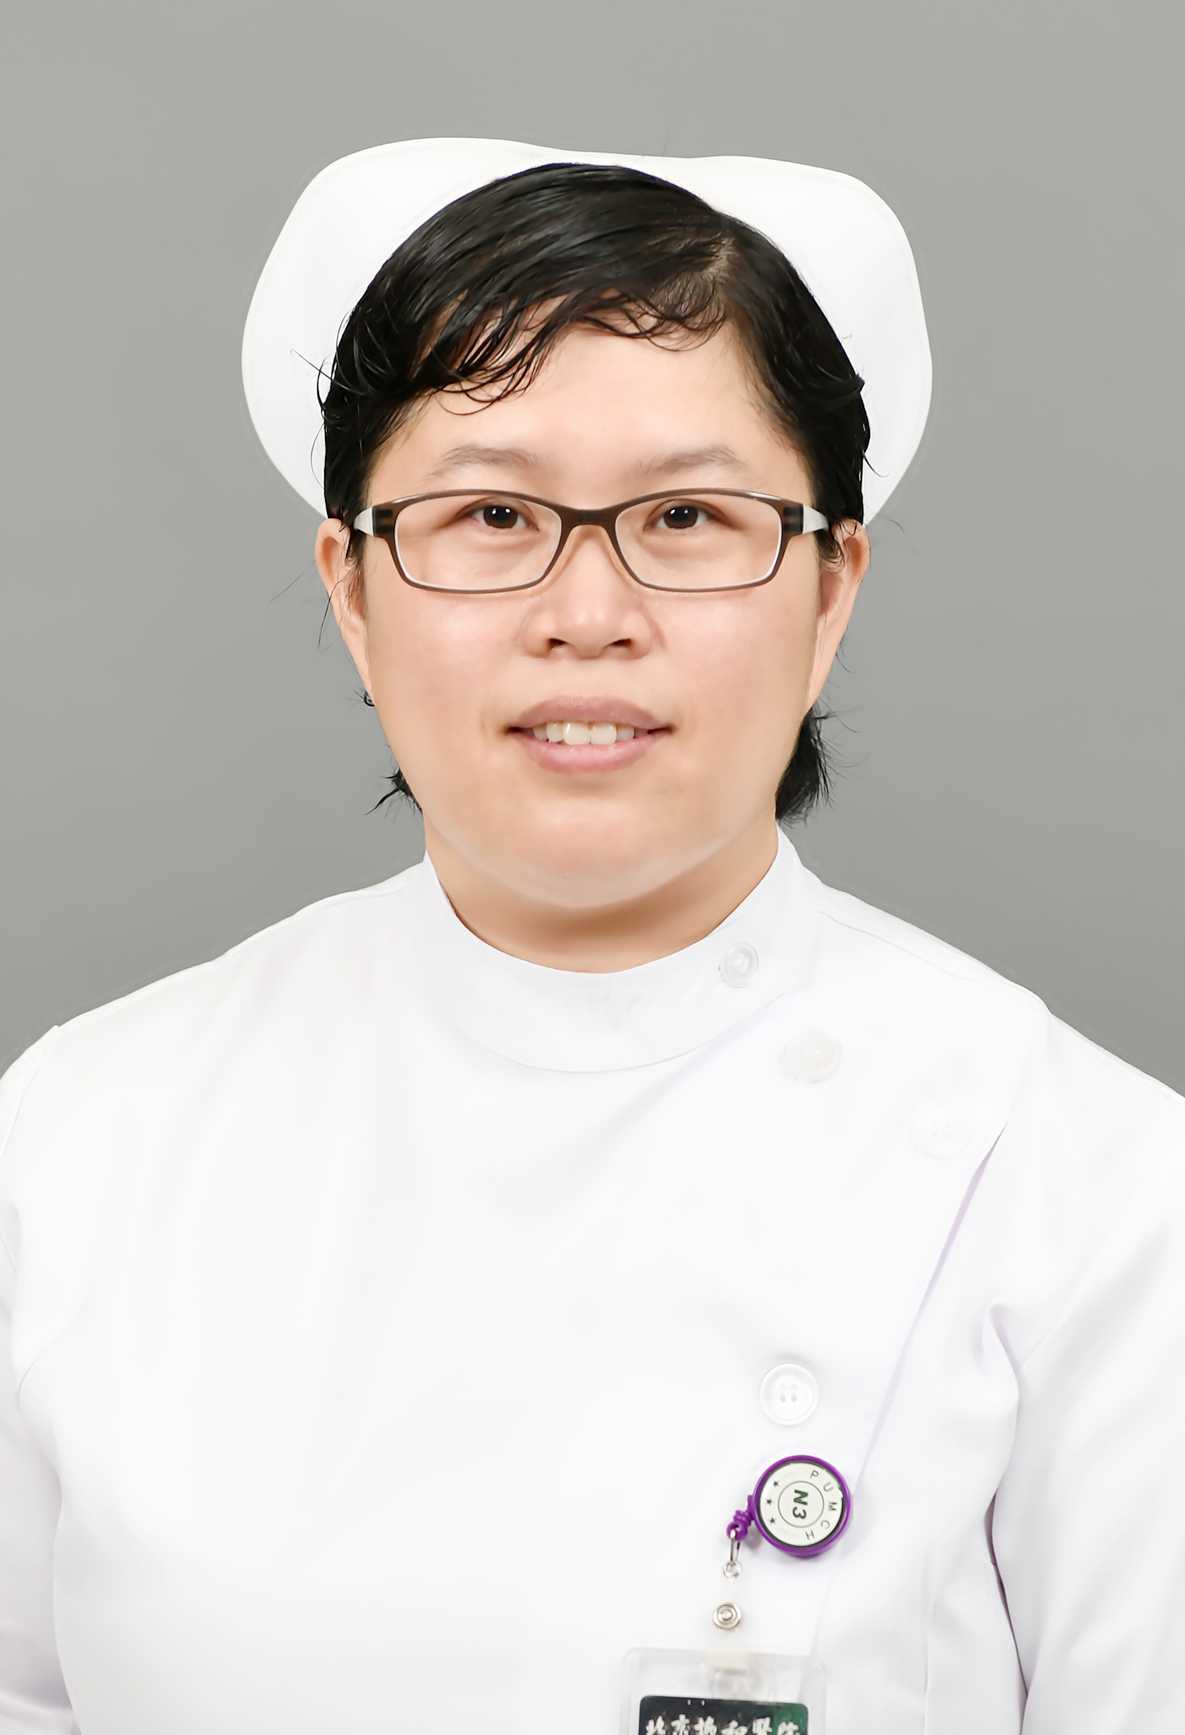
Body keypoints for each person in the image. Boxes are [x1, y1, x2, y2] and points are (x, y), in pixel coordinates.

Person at [2, 137, 1182, 1735]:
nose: (586, 613)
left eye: (686, 515)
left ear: (829, 586)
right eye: (492, 513)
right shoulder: (80, 1141)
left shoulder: (1090, 1193)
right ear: (352, 586)